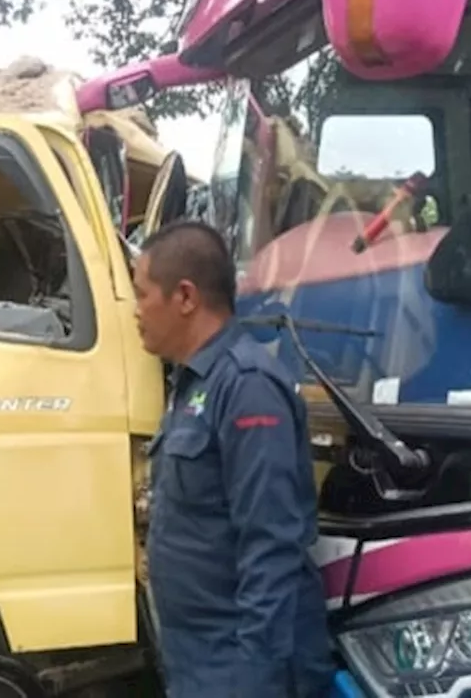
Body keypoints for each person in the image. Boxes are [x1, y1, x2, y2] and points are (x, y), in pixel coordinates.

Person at [134, 221, 334, 698]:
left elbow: (271, 544)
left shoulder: (247, 388)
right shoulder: (193, 384)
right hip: (198, 661)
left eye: (141, 294)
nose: (134, 310)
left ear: (185, 297)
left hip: (239, 670)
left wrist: (254, 679)